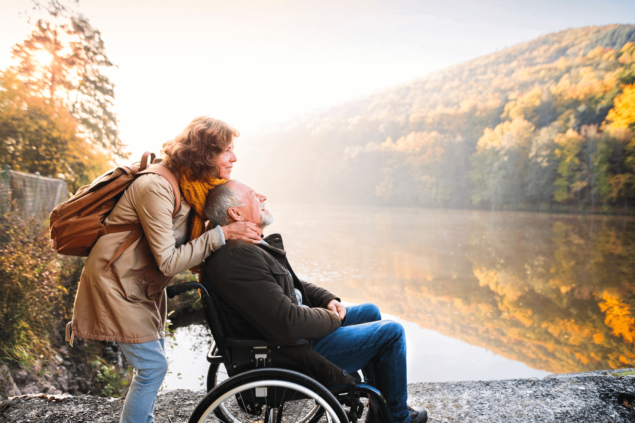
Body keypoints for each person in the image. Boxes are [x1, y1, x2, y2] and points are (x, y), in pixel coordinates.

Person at [68, 117, 262, 423]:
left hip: (141, 283)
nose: (234, 157)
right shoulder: (156, 186)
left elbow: (244, 212)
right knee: (151, 367)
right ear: (203, 154)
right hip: (116, 282)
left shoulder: (197, 187)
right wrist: (222, 234)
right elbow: (169, 261)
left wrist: (254, 216)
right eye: (227, 150)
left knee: (152, 360)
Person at [201, 180, 428, 423]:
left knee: (370, 312)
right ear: (235, 213)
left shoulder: (246, 246)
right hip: (290, 352)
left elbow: (290, 283)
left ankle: (382, 409)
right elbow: (288, 323)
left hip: (293, 338)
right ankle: (397, 418)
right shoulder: (237, 258)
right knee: (391, 334)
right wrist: (331, 318)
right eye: (254, 196)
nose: (263, 196)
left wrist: (326, 299)